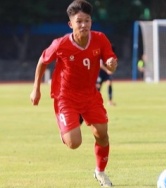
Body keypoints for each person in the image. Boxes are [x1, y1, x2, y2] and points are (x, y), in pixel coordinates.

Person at [29, 0, 118, 187]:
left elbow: (111, 58)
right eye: (79, 21)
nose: (84, 24)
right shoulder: (60, 44)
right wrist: (36, 88)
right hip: (65, 97)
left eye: (87, 20)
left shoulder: (100, 38)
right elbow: (42, 61)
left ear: (91, 22)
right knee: (73, 143)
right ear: (71, 24)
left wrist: (111, 63)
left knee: (102, 134)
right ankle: (68, 125)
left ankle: (100, 172)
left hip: (90, 95)